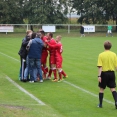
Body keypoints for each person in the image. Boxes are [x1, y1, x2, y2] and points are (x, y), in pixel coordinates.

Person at [97, 40, 117, 109]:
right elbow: (116, 66)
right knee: (113, 88)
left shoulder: (101, 55)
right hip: (112, 73)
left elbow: (100, 66)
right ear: (110, 47)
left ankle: (100, 104)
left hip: (104, 73)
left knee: (101, 89)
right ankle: (116, 102)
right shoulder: (114, 54)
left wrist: (99, 76)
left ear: (104, 46)